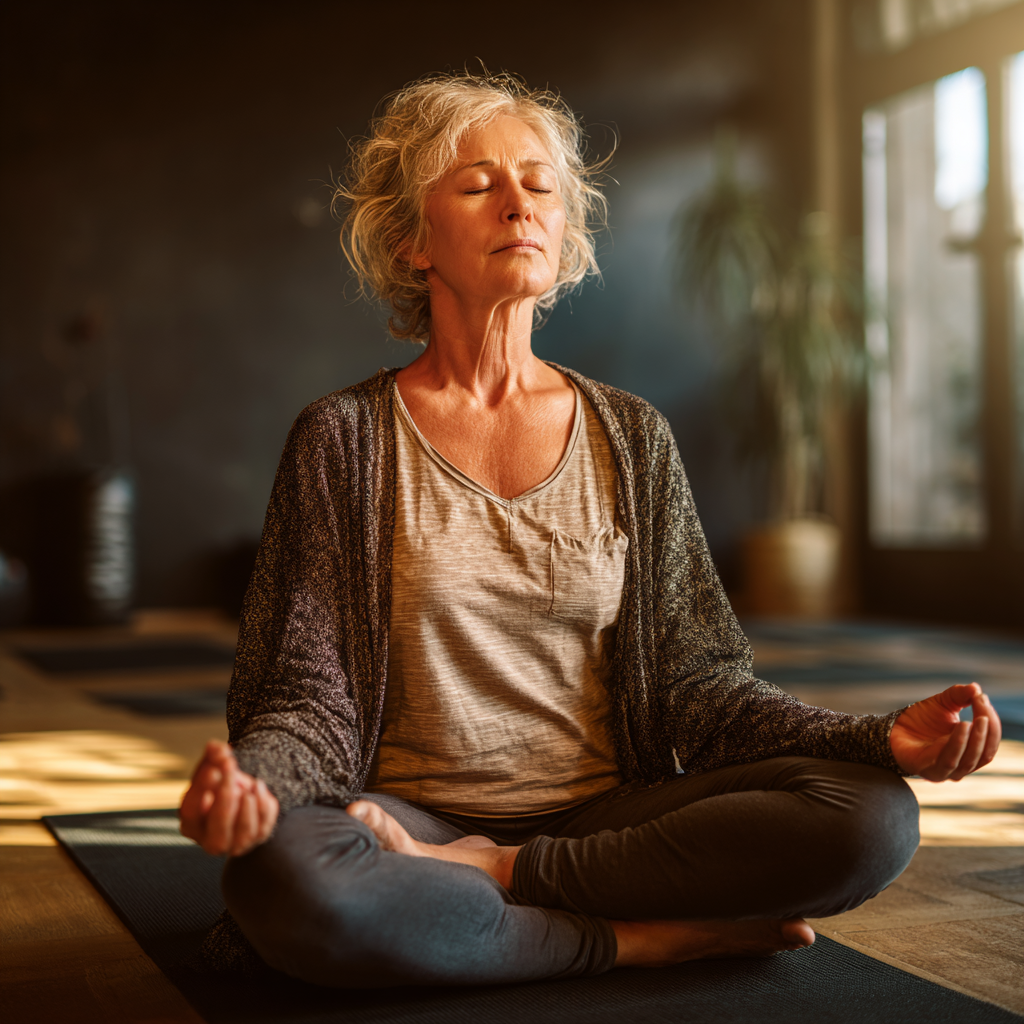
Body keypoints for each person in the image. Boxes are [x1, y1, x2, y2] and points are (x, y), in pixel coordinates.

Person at [179, 71, 1002, 988]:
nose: (519, 204)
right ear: (412, 241)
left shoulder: (633, 436)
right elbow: (309, 692)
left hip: (607, 821)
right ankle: (635, 939)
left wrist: (876, 742)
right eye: (479, 185)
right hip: (406, 822)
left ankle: (501, 882)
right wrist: (259, 782)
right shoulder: (342, 438)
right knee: (283, 879)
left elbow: (702, 689)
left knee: (872, 818)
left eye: (539, 184)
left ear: (563, 226)